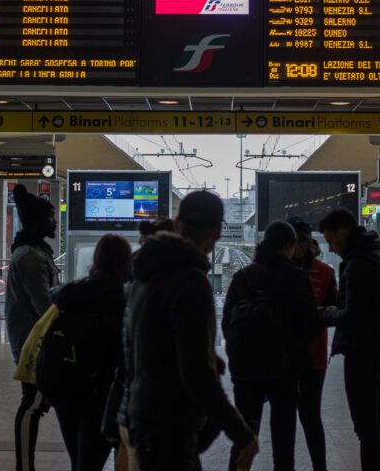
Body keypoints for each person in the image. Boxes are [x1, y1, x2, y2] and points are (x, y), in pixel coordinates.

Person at [122, 191, 258, 471]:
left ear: (176, 223)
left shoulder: (144, 272)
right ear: (217, 231)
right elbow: (196, 373)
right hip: (170, 424)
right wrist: (241, 433)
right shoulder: (190, 280)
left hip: (144, 415)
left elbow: (135, 347)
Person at [223, 221, 318, 471]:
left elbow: (226, 322)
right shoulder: (297, 276)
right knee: (283, 439)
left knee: (244, 436)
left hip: (245, 369)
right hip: (283, 368)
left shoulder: (243, 276)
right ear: (288, 246)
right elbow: (310, 323)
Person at [318, 208, 380, 471]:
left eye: (331, 240)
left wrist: (324, 314)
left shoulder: (358, 264)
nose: (330, 248)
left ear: (343, 232)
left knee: (367, 430)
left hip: (363, 355)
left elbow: (352, 315)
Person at [51, 234, 131, 471]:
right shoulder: (123, 300)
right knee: (96, 459)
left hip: (65, 387)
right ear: (125, 263)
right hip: (102, 393)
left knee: (80, 460)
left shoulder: (68, 294)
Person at [6, 184, 61, 471]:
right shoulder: (30, 257)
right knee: (33, 403)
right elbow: (45, 306)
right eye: (50, 217)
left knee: (36, 401)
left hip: (35, 340)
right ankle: (24, 467)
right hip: (35, 342)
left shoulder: (35, 251)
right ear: (37, 221)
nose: (54, 222)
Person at [287, 217, 337, 471]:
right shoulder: (277, 271)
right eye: (293, 243)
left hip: (313, 354)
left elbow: (335, 310)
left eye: (302, 243)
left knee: (310, 415)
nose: (298, 248)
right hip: (282, 356)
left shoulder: (325, 272)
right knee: (283, 417)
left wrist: (315, 314)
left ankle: (320, 467)